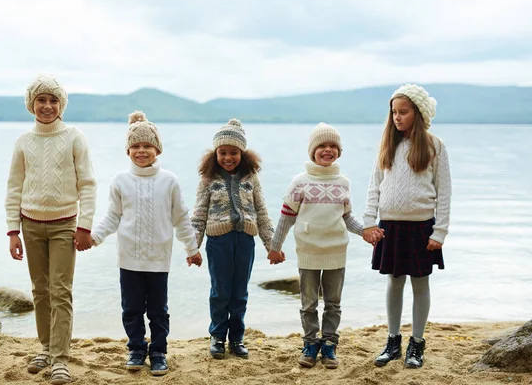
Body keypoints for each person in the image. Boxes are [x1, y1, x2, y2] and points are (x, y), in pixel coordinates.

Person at [90, 111, 202, 376]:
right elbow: (112, 217)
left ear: (157, 149)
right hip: (129, 259)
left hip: (158, 259)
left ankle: (159, 351)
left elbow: (181, 218)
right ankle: (137, 349)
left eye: (147, 146)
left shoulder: (169, 181)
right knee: (131, 309)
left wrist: (192, 248)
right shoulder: (120, 181)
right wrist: (94, 237)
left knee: (158, 311)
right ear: (128, 150)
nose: (142, 151)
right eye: (136, 146)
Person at [269, 123, 384, 369]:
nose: (327, 150)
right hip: (308, 251)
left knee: (333, 302)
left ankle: (330, 344)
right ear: (313, 151)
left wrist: (365, 230)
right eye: (322, 145)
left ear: (339, 151)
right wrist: (275, 246)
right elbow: (286, 217)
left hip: (336, 252)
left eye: (333, 146)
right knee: (308, 303)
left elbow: (346, 217)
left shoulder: (343, 182)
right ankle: (310, 343)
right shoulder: (300, 182)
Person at [5, 74, 96, 385]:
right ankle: (45, 348)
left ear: (62, 104)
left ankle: (60, 359)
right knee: (39, 292)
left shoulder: (74, 137)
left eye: (53, 100)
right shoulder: (23, 142)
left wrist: (85, 225)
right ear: (32, 104)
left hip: (64, 225)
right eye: (41, 100)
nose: (47, 105)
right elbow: (14, 188)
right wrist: (12, 231)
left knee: (61, 291)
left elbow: (87, 184)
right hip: (30, 226)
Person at [363, 84, 452, 369]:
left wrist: (440, 232)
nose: (398, 117)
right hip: (389, 227)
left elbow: (445, 191)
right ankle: (393, 341)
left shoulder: (435, 146)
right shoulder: (388, 146)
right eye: (394, 112)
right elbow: (374, 187)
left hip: (421, 228)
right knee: (394, 281)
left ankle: (417, 343)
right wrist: (368, 222)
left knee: (420, 283)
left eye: (404, 112)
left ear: (418, 113)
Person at [191, 118, 277, 360]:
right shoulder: (208, 179)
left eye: (234, 152)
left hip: (245, 242)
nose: (228, 157)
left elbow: (261, 212)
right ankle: (217, 336)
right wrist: (192, 246)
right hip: (218, 242)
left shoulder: (251, 178)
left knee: (239, 293)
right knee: (220, 292)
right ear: (215, 153)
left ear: (243, 153)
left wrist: (272, 245)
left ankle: (236, 338)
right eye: (223, 152)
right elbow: (198, 214)